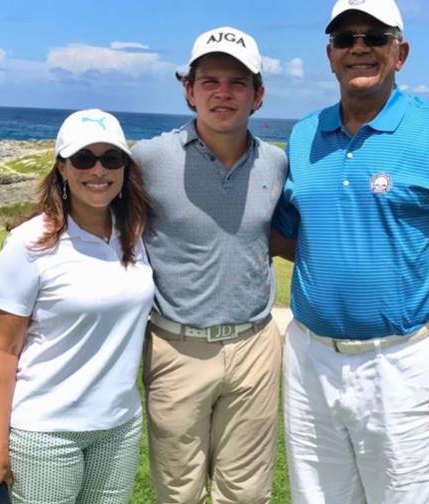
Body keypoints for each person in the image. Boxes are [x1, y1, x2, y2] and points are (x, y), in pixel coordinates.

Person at [270, 0, 429, 502]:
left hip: (404, 363)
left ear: (401, 52)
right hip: (310, 359)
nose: (359, 48)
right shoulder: (306, 133)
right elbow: (287, 235)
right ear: (329, 55)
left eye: (374, 37)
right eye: (344, 38)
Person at [130, 26, 288, 504]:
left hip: (256, 345)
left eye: (238, 83)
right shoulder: (148, 159)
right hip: (176, 348)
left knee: (247, 493)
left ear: (258, 95)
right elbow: (93, 204)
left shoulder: (277, 163)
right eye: (210, 81)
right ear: (189, 90)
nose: (224, 93)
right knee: (178, 493)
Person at [0, 109, 154, 504]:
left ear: (124, 168)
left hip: (119, 427)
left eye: (111, 158)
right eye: (84, 158)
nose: (98, 170)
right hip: (46, 433)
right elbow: (4, 351)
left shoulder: (135, 235)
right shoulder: (29, 243)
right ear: (62, 169)